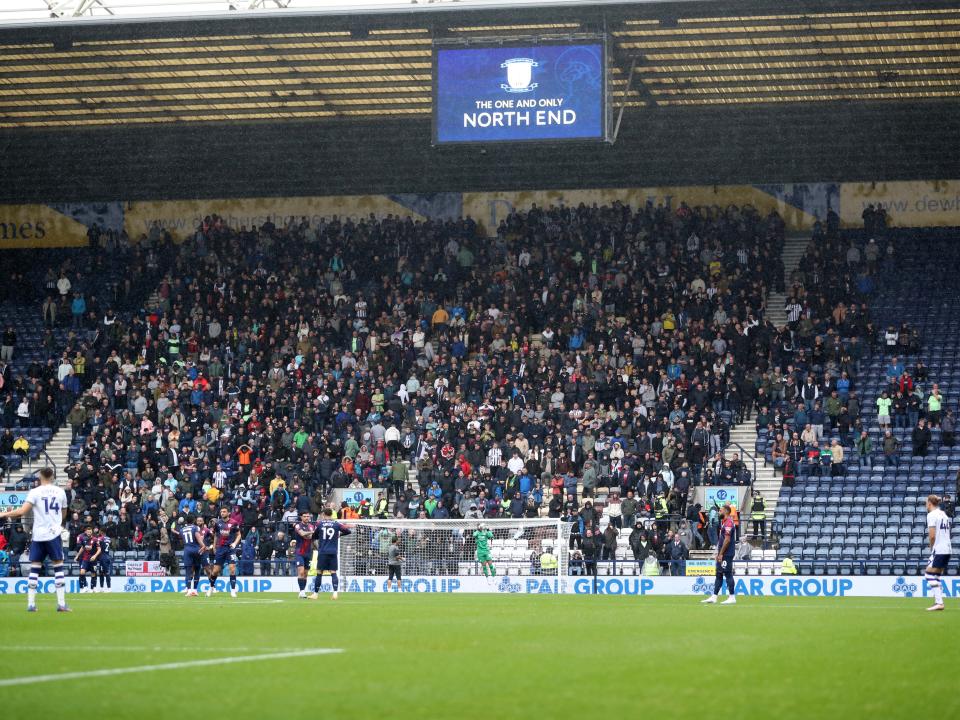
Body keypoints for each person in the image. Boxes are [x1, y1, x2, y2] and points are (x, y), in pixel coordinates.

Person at [0, 468, 69, 612]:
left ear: (40, 477)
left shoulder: (35, 492)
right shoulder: (60, 492)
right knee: (58, 566)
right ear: (53, 477)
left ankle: (31, 604)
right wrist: (56, 523)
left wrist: (3, 513)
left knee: (35, 567)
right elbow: (64, 512)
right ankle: (61, 604)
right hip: (54, 533)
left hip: (38, 534)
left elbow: (21, 511)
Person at [308, 507, 352, 600]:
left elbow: (314, 536)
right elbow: (348, 531)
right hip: (333, 552)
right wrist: (339, 535)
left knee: (319, 572)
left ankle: (315, 594)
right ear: (332, 514)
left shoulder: (320, 524)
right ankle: (335, 593)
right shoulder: (336, 524)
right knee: (333, 572)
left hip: (323, 551)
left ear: (323, 514)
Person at [702, 503, 737, 605]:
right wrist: (718, 552)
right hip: (722, 553)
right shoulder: (724, 522)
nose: (718, 512)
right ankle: (714, 596)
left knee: (728, 574)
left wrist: (721, 553)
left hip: (727, 553)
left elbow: (727, 540)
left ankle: (732, 596)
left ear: (726, 511)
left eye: (720, 511)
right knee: (719, 574)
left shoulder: (729, 523)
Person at [924, 494, 952, 612]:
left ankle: (939, 603)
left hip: (939, 549)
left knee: (928, 574)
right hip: (947, 548)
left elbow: (932, 536)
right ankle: (938, 602)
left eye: (926, 502)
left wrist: (932, 548)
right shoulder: (943, 514)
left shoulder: (931, 515)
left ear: (930, 503)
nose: (926, 505)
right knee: (936, 576)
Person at [207, 506, 241, 598]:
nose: (222, 513)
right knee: (215, 571)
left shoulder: (234, 523)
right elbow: (216, 536)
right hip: (220, 549)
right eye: (221, 512)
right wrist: (214, 546)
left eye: (224, 512)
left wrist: (234, 543)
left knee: (232, 568)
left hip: (230, 548)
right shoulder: (217, 524)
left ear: (228, 513)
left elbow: (239, 535)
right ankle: (211, 587)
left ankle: (233, 591)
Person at [173, 514, 208, 597]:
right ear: (193, 521)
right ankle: (195, 590)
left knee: (188, 571)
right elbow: (198, 538)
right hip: (196, 550)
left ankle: (188, 590)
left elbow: (181, 540)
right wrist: (203, 546)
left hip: (187, 550)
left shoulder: (182, 529)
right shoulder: (195, 528)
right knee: (197, 569)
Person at [292, 511, 317, 599]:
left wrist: (309, 534)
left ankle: (303, 591)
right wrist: (311, 533)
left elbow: (310, 537)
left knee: (306, 574)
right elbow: (302, 534)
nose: (307, 518)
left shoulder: (311, 526)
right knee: (301, 572)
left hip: (308, 552)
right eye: (305, 516)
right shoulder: (298, 525)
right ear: (301, 517)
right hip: (300, 551)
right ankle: (301, 591)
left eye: (308, 516)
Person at [75, 525, 100, 593]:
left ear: (92, 532)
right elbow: (82, 548)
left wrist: (95, 556)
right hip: (85, 559)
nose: (89, 533)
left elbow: (99, 549)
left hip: (93, 559)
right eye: (88, 532)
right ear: (86, 532)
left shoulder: (95, 539)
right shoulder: (83, 539)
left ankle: (93, 588)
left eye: (90, 532)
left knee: (93, 573)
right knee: (82, 572)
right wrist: (77, 556)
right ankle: (85, 587)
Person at [95, 525, 113, 593]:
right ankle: (102, 588)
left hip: (102, 557)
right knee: (102, 572)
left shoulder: (100, 538)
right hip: (107, 555)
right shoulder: (108, 538)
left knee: (105, 573)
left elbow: (97, 546)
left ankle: (108, 588)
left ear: (101, 531)